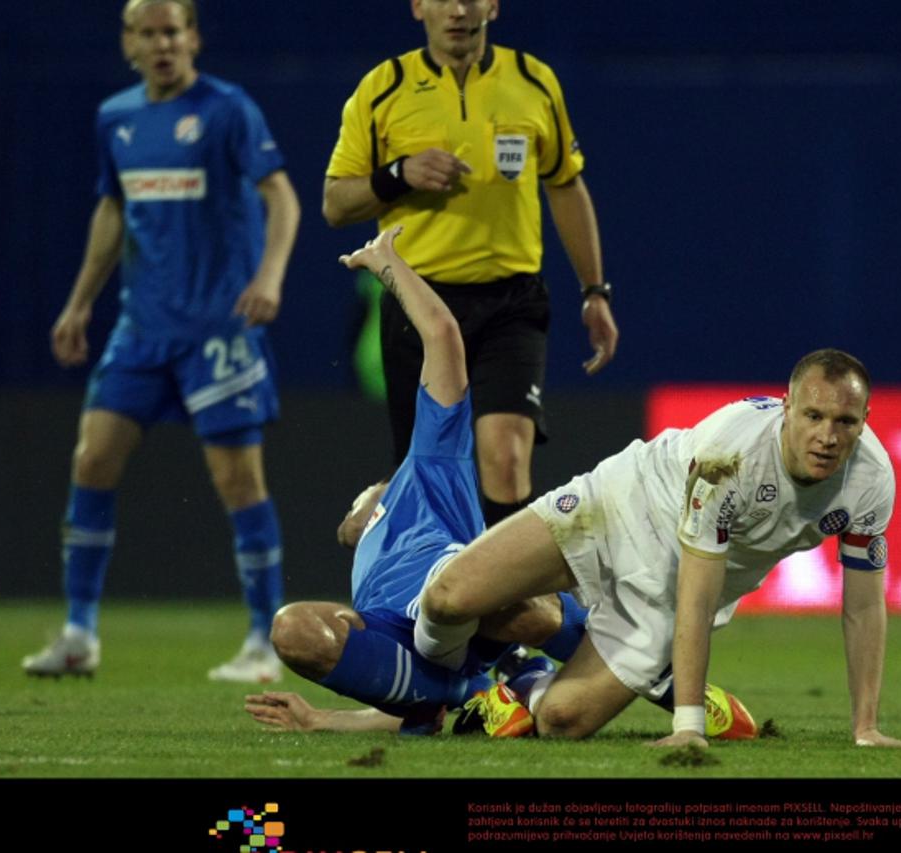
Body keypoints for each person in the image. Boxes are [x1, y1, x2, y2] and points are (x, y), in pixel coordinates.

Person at [247, 230, 753, 741]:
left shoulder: (428, 469)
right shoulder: (369, 586)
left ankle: (666, 683)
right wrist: (322, 719)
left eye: (362, 501)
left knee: (516, 606)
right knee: (293, 630)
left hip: (477, 605)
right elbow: (410, 698)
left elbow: (442, 336)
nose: (355, 511)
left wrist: (387, 266)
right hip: (417, 645)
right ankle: (493, 691)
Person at [414, 350, 901, 749]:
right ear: (786, 408)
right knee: (447, 598)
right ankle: (434, 691)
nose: (827, 437)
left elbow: (863, 607)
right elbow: (697, 597)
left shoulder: (871, 481)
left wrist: (866, 728)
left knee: (560, 722)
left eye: (845, 422)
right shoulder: (730, 456)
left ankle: (523, 680)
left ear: (865, 419)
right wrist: (690, 723)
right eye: (813, 415)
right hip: (622, 505)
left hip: (671, 589)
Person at [22, 0, 301, 683]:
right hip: (141, 330)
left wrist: (269, 276)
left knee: (238, 479)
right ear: (129, 44)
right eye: (148, 34)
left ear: (193, 37)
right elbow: (113, 208)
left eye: (173, 31)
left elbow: (282, 197)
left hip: (217, 328)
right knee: (92, 458)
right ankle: (79, 632)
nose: (163, 44)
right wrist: (79, 303)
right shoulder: (115, 117)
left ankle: (264, 639)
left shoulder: (228, 109)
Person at [322, 0, 619, 534]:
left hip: (512, 302)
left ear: (493, 6)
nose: (458, 10)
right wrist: (398, 174)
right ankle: (415, 566)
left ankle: (506, 585)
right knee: (424, 476)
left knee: (505, 457)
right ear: (419, 6)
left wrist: (594, 290)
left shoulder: (533, 81)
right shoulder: (383, 88)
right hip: (421, 304)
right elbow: (335, 204)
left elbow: (565, 184)